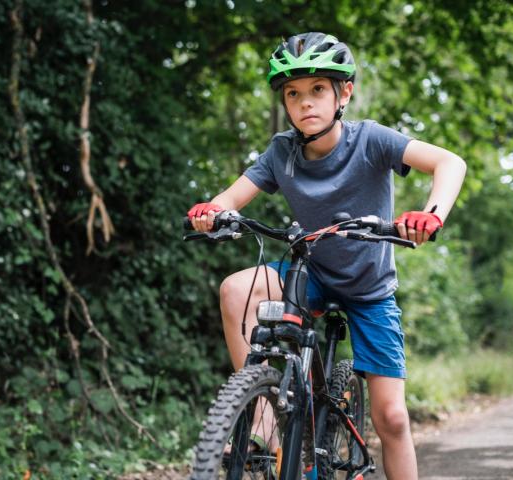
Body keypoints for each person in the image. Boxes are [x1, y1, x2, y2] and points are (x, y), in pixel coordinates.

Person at [187, 32, 466, 479]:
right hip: (311, 273)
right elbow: (230, 199)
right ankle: (262, 417)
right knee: (236, 288)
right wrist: (212, 213)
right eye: (293, 94)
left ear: (344, 92)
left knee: (391, 417)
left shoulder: (370, 140)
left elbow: (450, 163)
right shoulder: (282, 151)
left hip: (369, 289)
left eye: (318, 89)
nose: (304, 103)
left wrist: (431, 215)